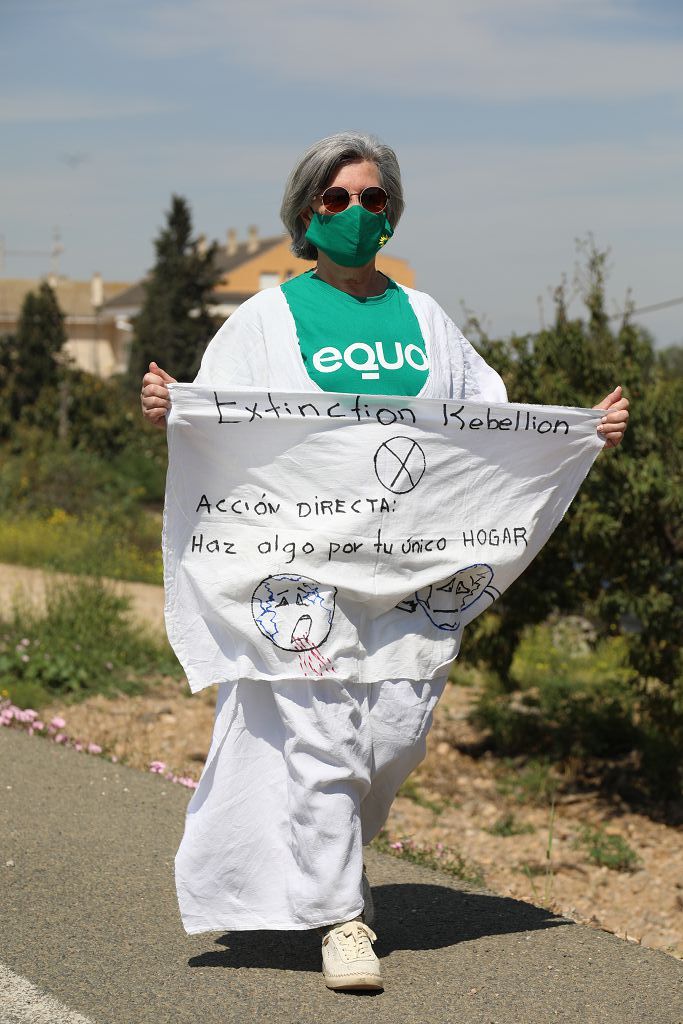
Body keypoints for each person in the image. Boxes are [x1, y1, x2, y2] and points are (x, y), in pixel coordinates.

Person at [140, 131, 629, 992]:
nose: (357, 213)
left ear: (391, 214)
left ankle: (319, 871)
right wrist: (170, 408)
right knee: (323, 733)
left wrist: (576, 432)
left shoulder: (424, 316)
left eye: (372, 199)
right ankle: (342, 919)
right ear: (305, 216)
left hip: (410, 571)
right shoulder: (266, 319)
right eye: (337, 199)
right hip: (300, 569)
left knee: (394, 734)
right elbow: (218, 425)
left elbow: (487, 425)